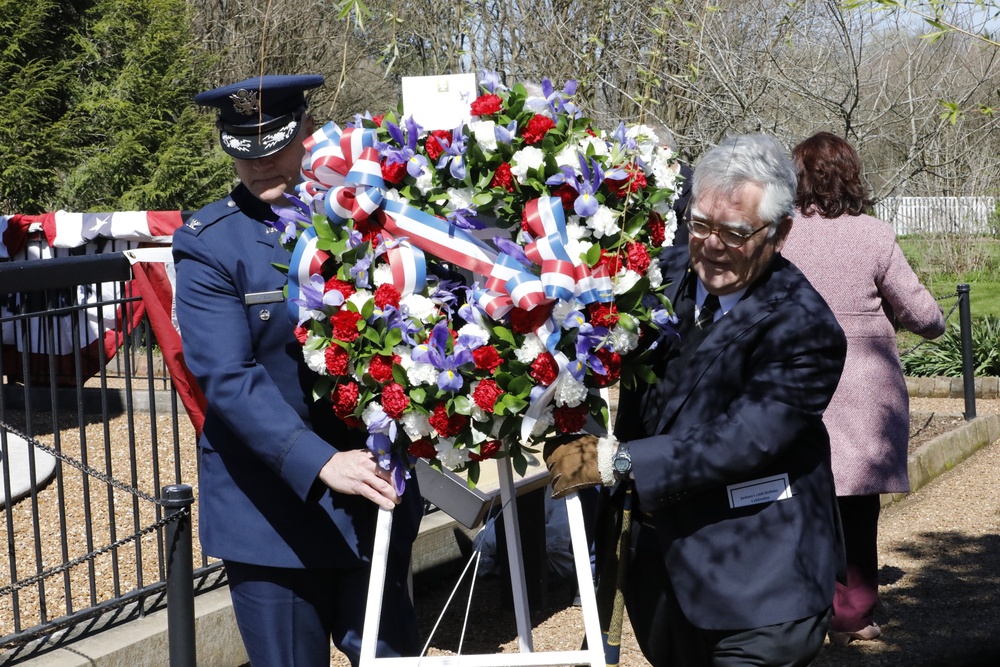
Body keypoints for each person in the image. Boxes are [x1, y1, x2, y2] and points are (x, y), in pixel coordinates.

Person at [544, 133, 848, 666]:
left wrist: (617, 461)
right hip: (661, 574)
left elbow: (746, 437)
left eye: (733, 232)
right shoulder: (659, 277)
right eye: (700, 224)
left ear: (779, 234)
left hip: (761, 581)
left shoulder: (805, 328)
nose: (710, 244)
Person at [172, 74, 422, 666]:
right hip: (272, 515)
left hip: (373, 495)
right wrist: (321, 462)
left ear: (307, 135)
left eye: (274, 146)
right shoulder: (209, 244)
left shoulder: (370, 217)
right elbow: (228, 377)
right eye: (241, 150)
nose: (258, 165)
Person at [782, 131, 945, 646]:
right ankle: (851, 617)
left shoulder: (779, 235)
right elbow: (923, 314)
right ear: (850, 174)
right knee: (856, 506)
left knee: (798, 499)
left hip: (795, 380)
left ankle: (800, 613)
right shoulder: (874, 235)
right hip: (863, 387)